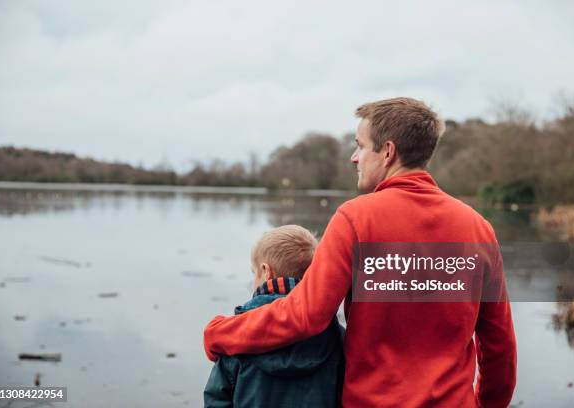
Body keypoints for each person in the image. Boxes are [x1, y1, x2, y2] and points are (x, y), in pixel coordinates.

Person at [204, 97, 517, 407]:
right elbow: (499, 345)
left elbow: (304, 316)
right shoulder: (479, 229)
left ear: (387, 152)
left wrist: (221, 333)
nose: (355, 157)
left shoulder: (355, 219)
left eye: (361, 146)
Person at [203, 225, 344, 408]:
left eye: (254, 273)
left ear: (266, 271)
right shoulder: (335, 336)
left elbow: (217, 400)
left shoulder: (235, 337)